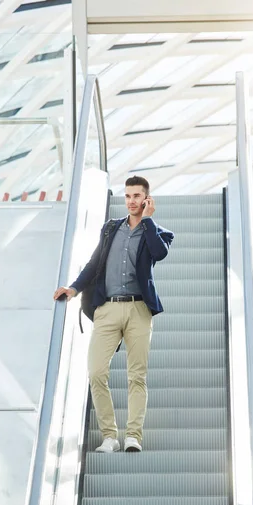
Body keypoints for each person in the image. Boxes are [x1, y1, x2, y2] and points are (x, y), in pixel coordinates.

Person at [54, 175, 174, 453]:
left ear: (147, 199)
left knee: (137, 376)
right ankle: (110, 436)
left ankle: (133, 436)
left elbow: (159, 253)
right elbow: (94, 263)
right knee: (96, 372)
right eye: (128, 196)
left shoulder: (158, 232)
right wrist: (73, 289)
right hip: (107, 309)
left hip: (139, 310)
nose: (131, 201)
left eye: (137, 196)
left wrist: (148, 220)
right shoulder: (110, 229)